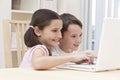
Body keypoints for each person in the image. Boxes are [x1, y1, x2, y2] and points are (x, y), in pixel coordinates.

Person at [20, 9, 95, 70]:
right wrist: (72, 57)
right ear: (38, 31)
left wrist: (74, 59)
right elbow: (38, 63)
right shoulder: (39, 49)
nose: (59, 35)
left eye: (60, 30)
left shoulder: (46, 49)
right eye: (55, 30)